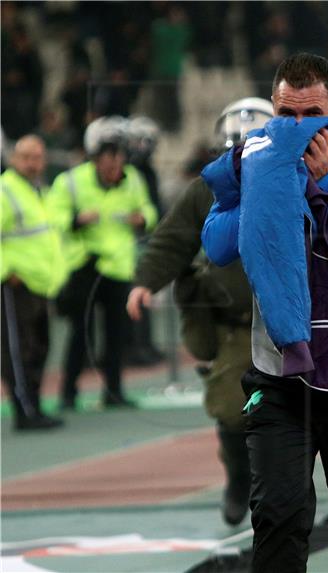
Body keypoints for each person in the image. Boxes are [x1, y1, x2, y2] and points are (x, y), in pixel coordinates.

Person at [202, 53, 328, 572]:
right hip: (280, 375)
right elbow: (217, 245)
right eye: (286, 114)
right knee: (277, 517)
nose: (297, 126)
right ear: (273, 107)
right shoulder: (258, 156)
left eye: (311, 113)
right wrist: (261, 179)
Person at [127, 97, 273, 527]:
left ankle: (295, 492)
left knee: (313, 416)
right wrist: (144, 282)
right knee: (232, 410)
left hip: (299, 327)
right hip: (237, 329)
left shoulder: (300, 183)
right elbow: (172, 240)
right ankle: (239, 480)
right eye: (236, 146)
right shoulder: (206, 191)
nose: (244, 155)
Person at [49, 116, 158, 409]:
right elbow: (52, 217)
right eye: (108, 157)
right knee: (80, 335)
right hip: (85, 266)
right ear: (95, 158)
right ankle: (68, 394)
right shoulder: (70, 182)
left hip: (119, 268)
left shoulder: (133, 179)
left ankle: (114, 392)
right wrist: (76, 220)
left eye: (118, 156)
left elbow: (149, 210)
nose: (114, 163)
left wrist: (143, 219)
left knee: (116, 335)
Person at [1, 135, 67, 430]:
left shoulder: (40, 191)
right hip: (17, 285)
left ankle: (35, 406)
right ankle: (24, 411)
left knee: (41, 346)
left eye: (38, 157)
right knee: (19, 350)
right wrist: (7, 273)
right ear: (14, 159)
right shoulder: (6, 191)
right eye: (26, 157)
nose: (33, 163)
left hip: (42, 284)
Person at [125, 115, 165, 366]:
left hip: (145, 237)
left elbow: (152, 208)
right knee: (136, 294)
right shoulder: (133, 172)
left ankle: (145, 345)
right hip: (132, 242)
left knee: (144, 291)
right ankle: (135, 348)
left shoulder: (145, 170)